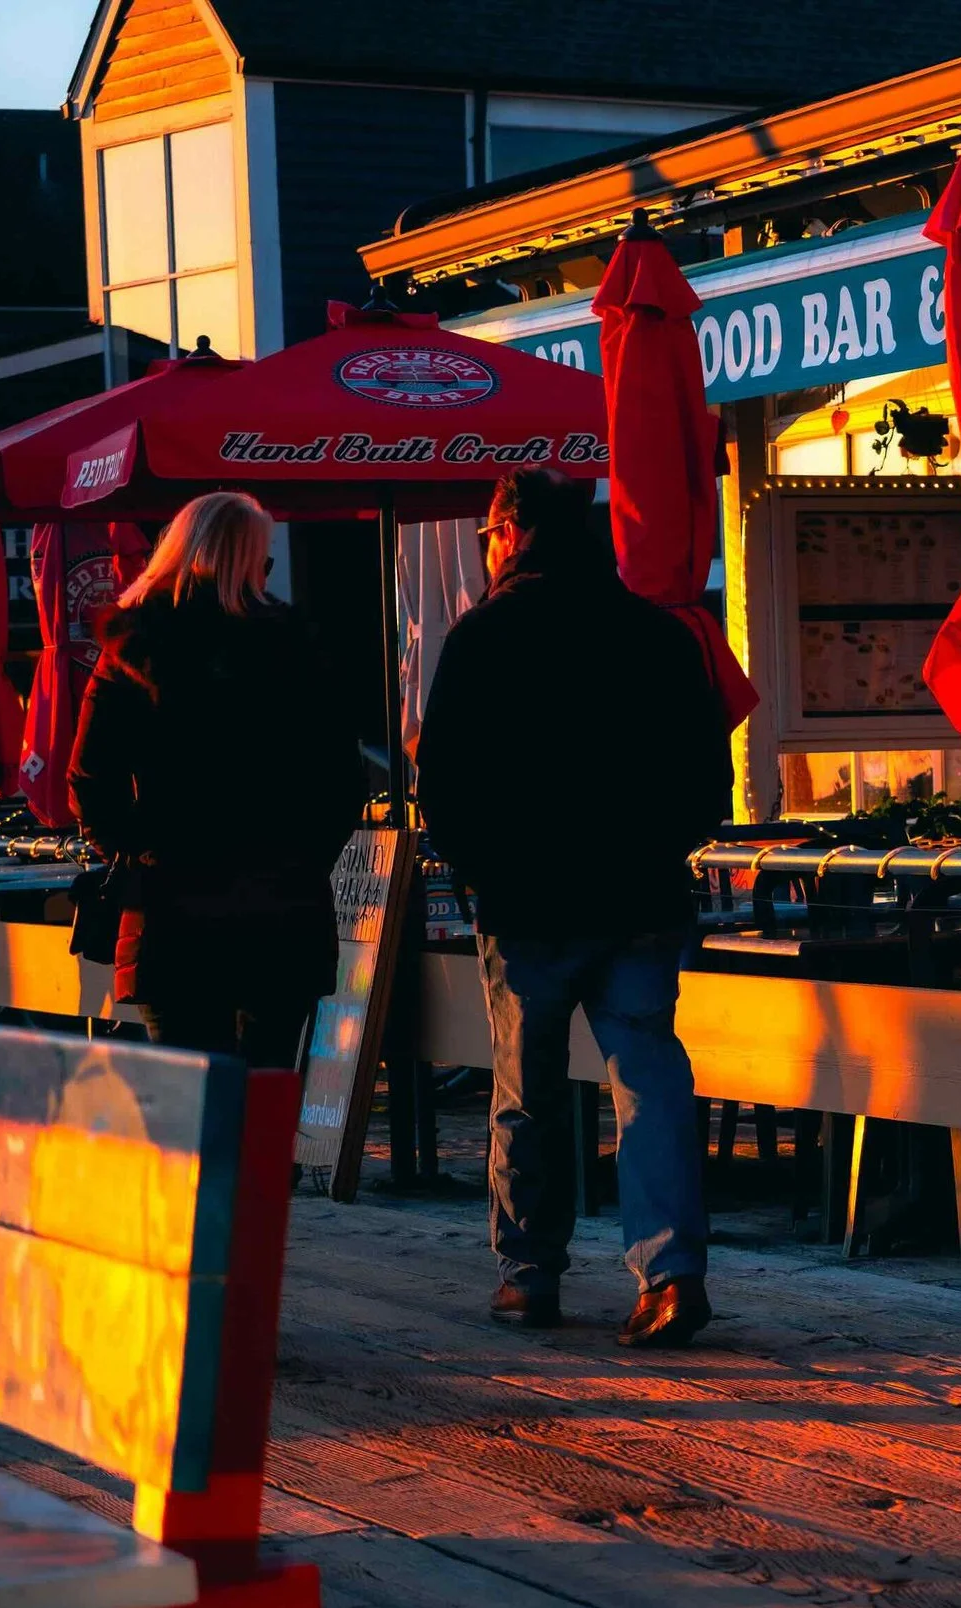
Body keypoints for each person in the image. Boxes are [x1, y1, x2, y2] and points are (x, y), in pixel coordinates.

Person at [417, 467, 731, 1348]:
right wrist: (652, 844)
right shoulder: (658, 635)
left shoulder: (483, 636)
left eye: (487, 534)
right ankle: (671, 1274)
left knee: (529, 1092)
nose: (484, 548)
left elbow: (442, 781)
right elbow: (710, 779)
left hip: (528, 903)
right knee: (650, 1079)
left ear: (510, 532)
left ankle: (528, 1274)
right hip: (638, 897)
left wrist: (482, 870)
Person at [69, 492, 363, 1066]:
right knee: (266, 1097)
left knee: (192, 1107)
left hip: (172, 916)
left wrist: (140, 851)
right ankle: (262, 1162)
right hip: (283, 914)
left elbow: (88, 782)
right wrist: (300, 862)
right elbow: (341, 784)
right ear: (248, 562)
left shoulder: (133, 647)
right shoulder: (296, 647)